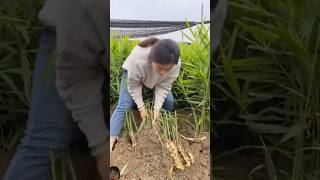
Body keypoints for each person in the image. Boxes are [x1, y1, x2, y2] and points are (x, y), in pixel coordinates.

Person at [4, 0, 108, 179]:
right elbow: (77, 82)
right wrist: (101, 147)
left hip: (109, 37)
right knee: (50, 138)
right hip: (69, 32)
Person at [110, 38, 181, 151]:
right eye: (160, 68)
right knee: (124, 104)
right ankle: (110, 141)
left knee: (169, 101)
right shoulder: (137, 58)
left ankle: (162, 129)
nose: (163, 72)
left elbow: (163, 87)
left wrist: (157, 109)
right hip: (132, 74)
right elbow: (133, 86)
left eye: (167, 69)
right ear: (151, 60)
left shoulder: (175, 64)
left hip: (157, 81)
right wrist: (141, 107)